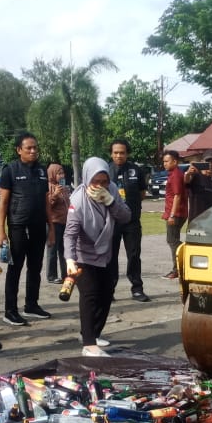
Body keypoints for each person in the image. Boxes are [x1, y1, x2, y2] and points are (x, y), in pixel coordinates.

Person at [65, 157, 131, 357]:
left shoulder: (112, 191)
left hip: (105, 251)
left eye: (104, 181)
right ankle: (88, 344)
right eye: (96, 182)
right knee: (90, 294)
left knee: (107, 292)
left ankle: (92, 332)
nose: (100, 186)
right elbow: (70, 234)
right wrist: (70, 259)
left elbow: (126, 216)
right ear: (87, 179)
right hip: (83, 253)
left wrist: (111, 202)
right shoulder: (78, 201)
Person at [0, 132, 52, 326]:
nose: (33, 151)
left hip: (39, 226)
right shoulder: (10, 170)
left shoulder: (42, 170)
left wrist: (52, 228)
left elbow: (46, 202)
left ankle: (31, 305)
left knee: (35, 267)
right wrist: (1, 231)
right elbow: (3, 202)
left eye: (35, 147)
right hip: (19, 226)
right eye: (29, 148)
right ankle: (10, 311)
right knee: (15, 268)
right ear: (19, 150)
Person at [107, 139, 150, 302]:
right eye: (116, 152)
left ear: (127, 153)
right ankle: (108, 290)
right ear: (111, 154)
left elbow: (142, 193)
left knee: (134, 255)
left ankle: (137, 289)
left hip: (132, 221)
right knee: (110, 257)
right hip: (112, 222)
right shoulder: (105, 170)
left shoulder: (136, 170)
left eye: (122, 152)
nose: (119, 155)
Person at [160, 150, 187, 279]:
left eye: (167, 161)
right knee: (173, 240)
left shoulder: (176, 175)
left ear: (175, 162)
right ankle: (180, 267)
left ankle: (178, 269)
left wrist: (172, 214)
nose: (164, 164)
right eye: (164, 161)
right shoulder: (174, 174)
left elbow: (177, 195)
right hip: (176, 212)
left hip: (176, 213)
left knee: (172, 240)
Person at [45, 163, 70, 285]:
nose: (62, 175)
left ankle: (66, 274)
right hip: (53, 223)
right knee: (52, 249)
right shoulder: (48, 187)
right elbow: (47, 205)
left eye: (62, 173)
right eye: (59, 173)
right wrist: (55, 194)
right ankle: (52, 275)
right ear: (52, 174)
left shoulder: (63, 187)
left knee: (64, 249)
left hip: (64, 222)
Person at [185, 152, 212, 223]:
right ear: (202, 162)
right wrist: (188, 173)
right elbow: (186, 181)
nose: (210, 164)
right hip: (196, 220)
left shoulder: (210, 180)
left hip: (208, 220)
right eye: (208, 161)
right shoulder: (196, 176)